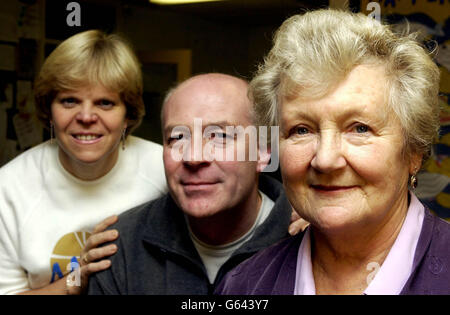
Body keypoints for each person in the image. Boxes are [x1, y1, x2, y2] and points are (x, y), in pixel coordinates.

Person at [216, 9, 450, 295]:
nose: (325, 160)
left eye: (359, 129)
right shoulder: (244, 286)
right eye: (301, 130)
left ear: (414, 151)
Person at [87, 73, 293, 294]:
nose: (193, 157)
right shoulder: (120, 248)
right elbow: (74, 282)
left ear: (262, 151)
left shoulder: (308, 239)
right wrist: (72, 281)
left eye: (219, 136)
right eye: (177, 138)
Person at [0, 30, 167, 295]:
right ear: (48, 110)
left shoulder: (165, 170)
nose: (87, 116)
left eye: (105, 102)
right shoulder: (9, 187)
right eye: (69, 100)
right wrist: (76, 279)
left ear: (128, 114)